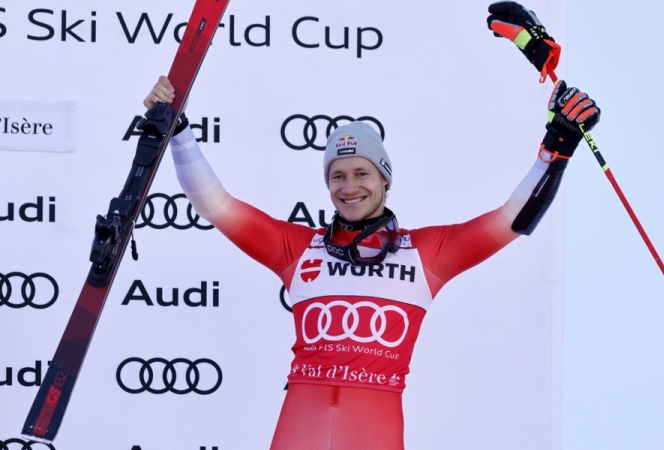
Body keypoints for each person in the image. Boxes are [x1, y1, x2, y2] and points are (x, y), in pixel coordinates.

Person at [143, 3, 599, 448]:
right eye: (337, 176)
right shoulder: (297, 249)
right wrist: (178, 132)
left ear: (385, 180)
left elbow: (512, 220)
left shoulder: (425, 254)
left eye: (362, 173)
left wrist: (557, 146)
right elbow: (214, 204)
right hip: (299, 428)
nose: (349, 187)